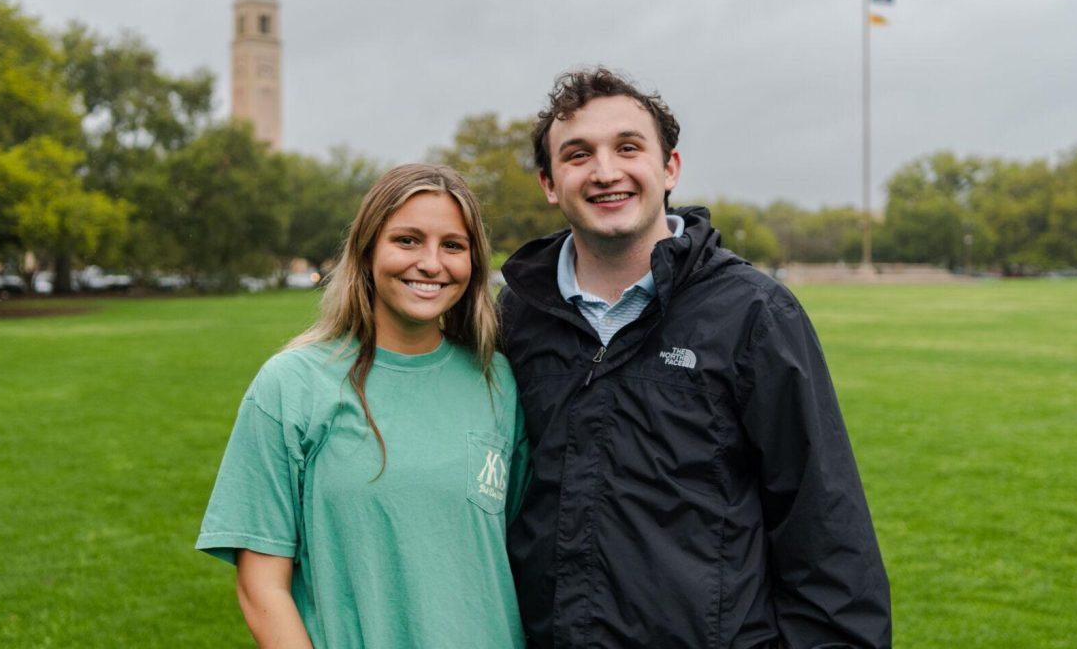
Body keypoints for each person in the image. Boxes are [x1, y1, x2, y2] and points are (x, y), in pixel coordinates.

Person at [499, 68, 891, 648]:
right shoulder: (515, 316)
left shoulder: (754, 313)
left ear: (669, 168)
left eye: (628, 148)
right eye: (578, 155)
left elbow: (824, 530)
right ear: (550, 183)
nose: (606, 172)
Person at [197, 164, 529, 649]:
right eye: (408, 240)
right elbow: (261, 588)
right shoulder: (291, 386)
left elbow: (520, 549)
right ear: (367, 250)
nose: (432, 263)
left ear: (474, 264)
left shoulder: (498, 380)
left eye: (453, 246)